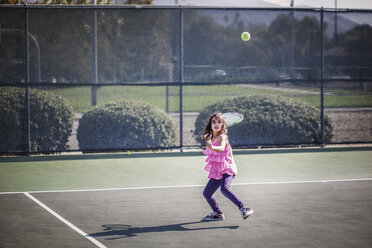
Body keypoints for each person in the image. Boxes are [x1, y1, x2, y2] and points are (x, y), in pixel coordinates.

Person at [201, 113, 253, 221]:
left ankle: (244, 208)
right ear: (210, 125)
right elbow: (211, 148)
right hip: (218, 170)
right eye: (213, 122)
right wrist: (208, 141)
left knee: (224, 189)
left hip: (228, 168)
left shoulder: (222, 136)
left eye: (219, 122)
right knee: (207, 193)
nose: (216, 124)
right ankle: (217, 213)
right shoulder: (211, 137)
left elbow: (221, 148)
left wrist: (211, 146)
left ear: (223, 124)